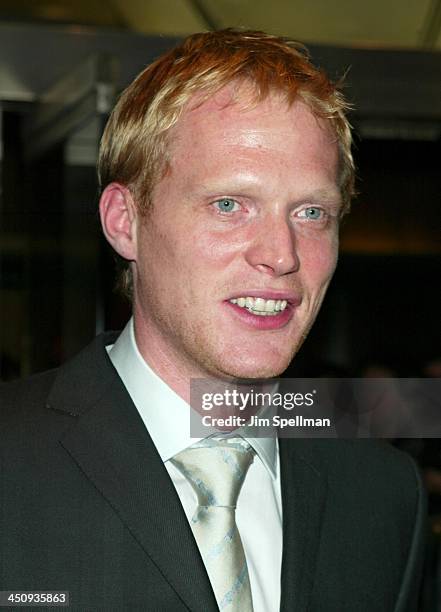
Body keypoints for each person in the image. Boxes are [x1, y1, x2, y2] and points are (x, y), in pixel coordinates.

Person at [1, 29, 426, 611]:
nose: (282, 253)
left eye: (312, 212)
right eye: (229, 205)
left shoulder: (383, 495)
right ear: (126, 222)